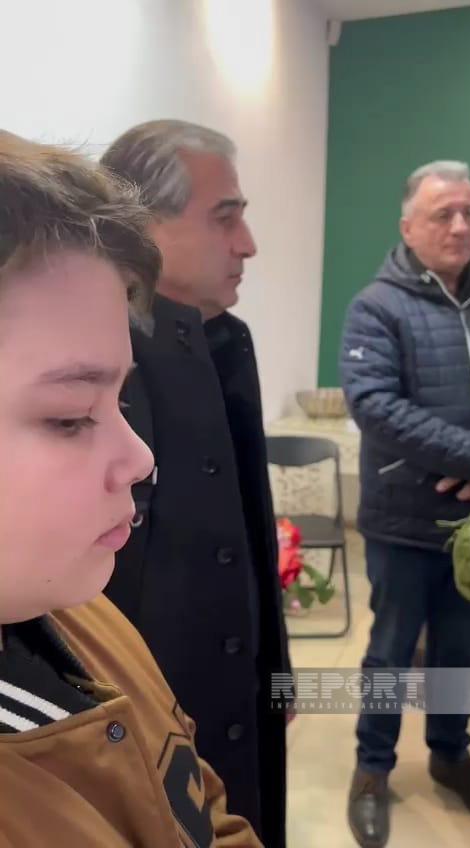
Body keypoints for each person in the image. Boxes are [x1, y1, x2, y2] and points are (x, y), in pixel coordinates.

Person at [0, 130, 262, 847]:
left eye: (119, 399)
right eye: (69, 416)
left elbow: (203, 811)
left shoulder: (86, 618)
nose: (141, 459)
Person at [100, 121, 290, 848]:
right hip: (149, 710)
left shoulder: (224, 340)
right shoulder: (103, 363)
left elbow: (250, 533)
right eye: (225, 217)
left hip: (242, 684)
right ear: (144, 223)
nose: (248, 244)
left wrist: (277, 672)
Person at [341, 160, 470, 848]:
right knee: (391, 653)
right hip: (403, 520)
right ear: (408, 227)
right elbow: (375, 406)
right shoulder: (376, 306)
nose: (459, 226)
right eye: (442, 214)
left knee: (461, 650)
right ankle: (372, 768)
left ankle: (450, 754)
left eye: (469, 213)